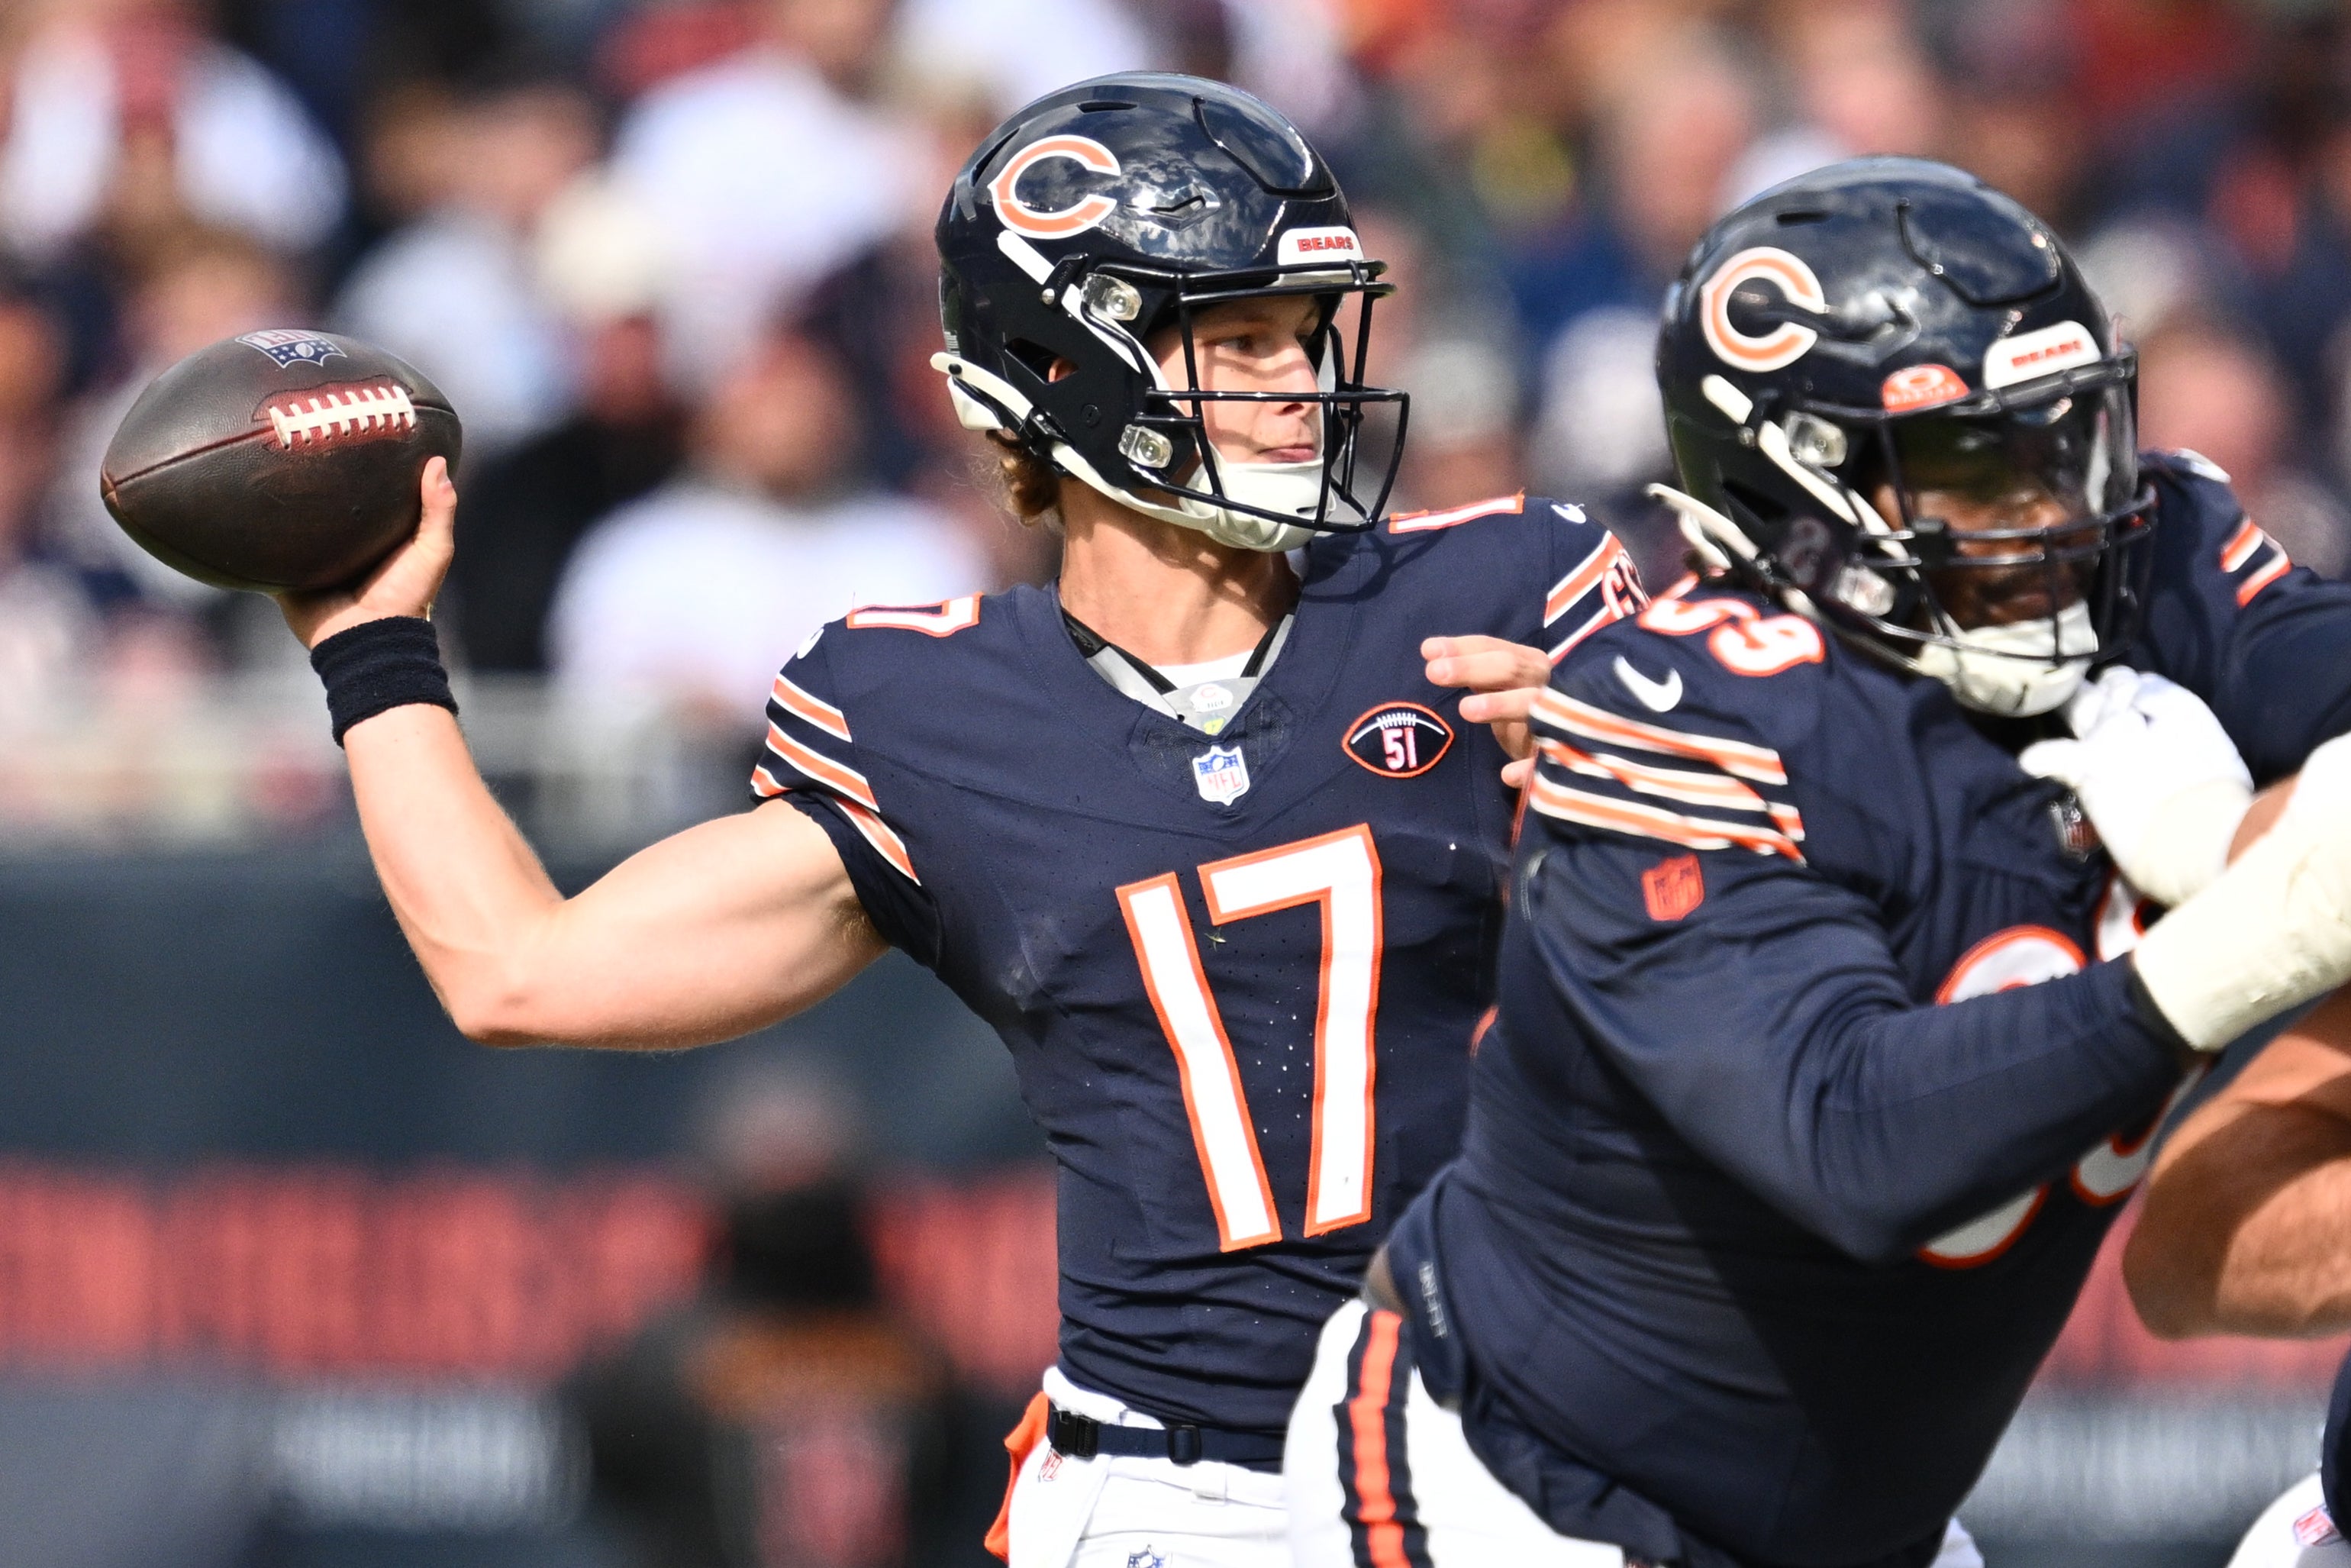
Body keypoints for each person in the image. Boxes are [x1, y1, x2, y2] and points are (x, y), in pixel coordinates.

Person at [269, 74, 1642, 1567]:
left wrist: (1656, 784)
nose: (1298, 379)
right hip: (1186, 1496)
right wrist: (371, 648)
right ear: (1062, 365)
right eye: (1238, 335)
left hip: (1529, 1455)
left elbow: (1846, 910)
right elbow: (520, 971)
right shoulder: (929, 709)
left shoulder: (1509, 593)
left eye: (1306, 333)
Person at [1286, 156, 2351, 1568]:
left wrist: (2228, 842)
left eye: (2067, 435)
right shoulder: (1678, 718)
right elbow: (1858, 1140)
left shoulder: (2153, 559)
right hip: (1527, 1492)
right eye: (1976, 464)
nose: (2049, 507)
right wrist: (2238, 919)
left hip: (1873, 1528)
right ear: (1799, 491)